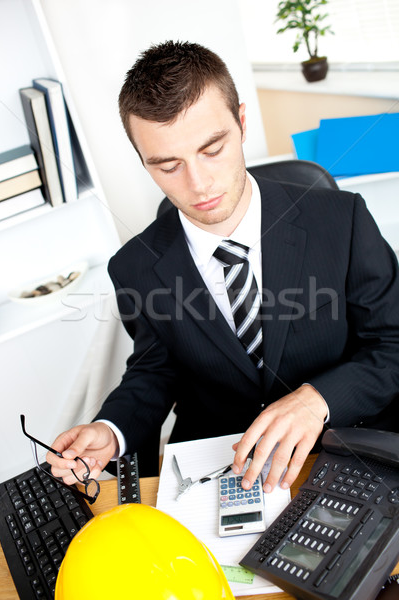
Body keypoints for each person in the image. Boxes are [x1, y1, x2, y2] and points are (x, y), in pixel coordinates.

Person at [47, 40, 399, 494]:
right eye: (168, 165)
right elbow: (156, 371)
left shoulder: (342, 219)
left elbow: (391, 344)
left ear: (242, 122)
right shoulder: (134, 267)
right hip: (222, 466)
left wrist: (319, 400)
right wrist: (111, 430)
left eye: (212, 149)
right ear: (144, 163)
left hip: (345, 443)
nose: (198, 184)